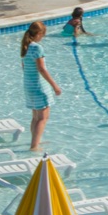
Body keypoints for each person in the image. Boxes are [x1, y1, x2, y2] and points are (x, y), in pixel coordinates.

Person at [20, 21, 62, 153]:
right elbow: (42, 69)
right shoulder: (37, 48)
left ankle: (35, 141)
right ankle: (34, 146)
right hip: (39, 86)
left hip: (28, 85)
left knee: (35, 117)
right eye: (42, 35)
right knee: (43, 117)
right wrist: (55, 85)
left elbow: (24, 66)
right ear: (38, 34)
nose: (42, 38)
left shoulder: (25, 47)